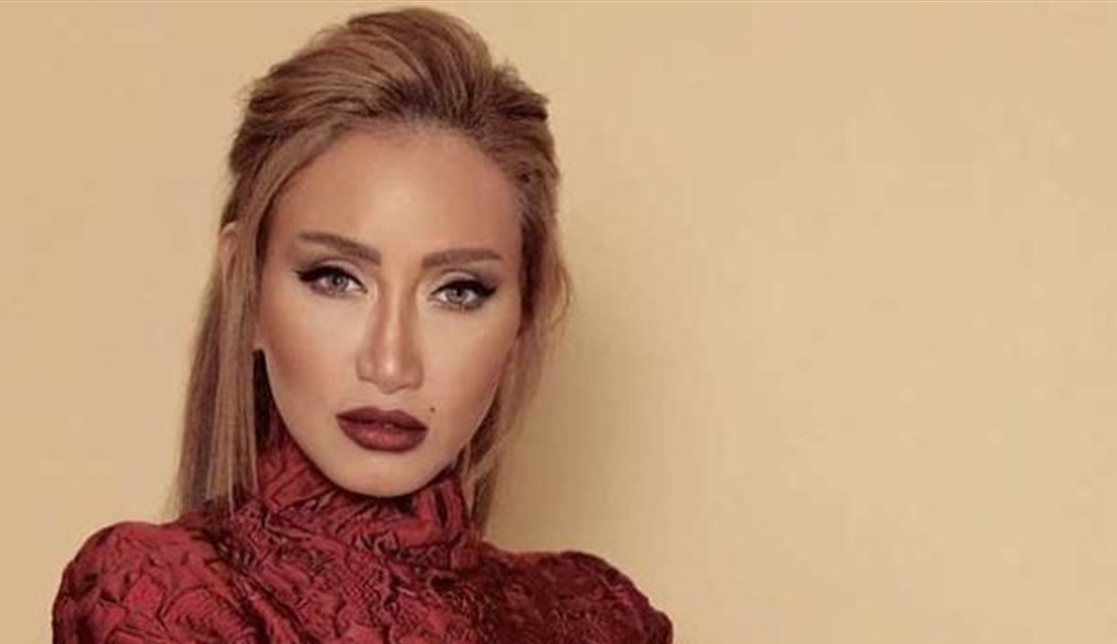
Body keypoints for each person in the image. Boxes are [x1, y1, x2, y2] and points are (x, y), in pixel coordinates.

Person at [51, 7, 672, 643]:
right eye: (335, 279)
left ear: (524, 315)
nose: (391, 363)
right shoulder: (157, 592)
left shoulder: (600, 617)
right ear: (246, 289)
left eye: (458, 291)